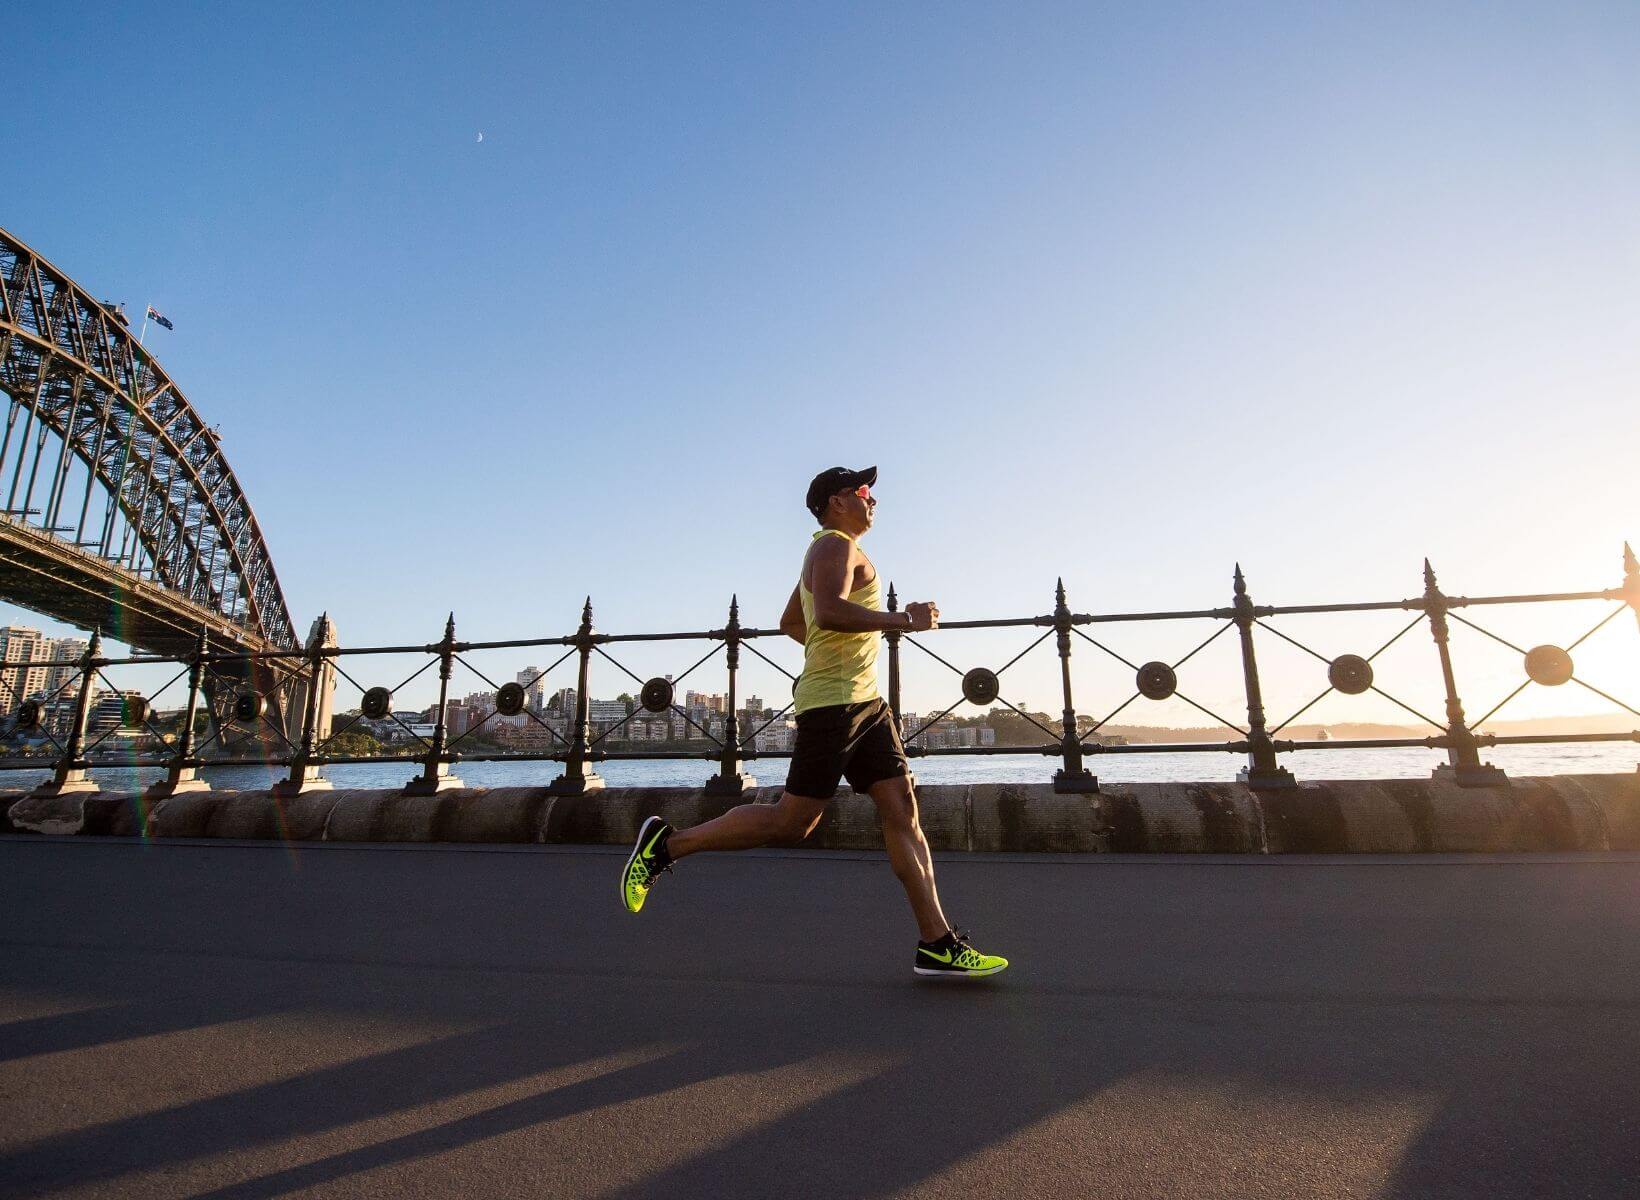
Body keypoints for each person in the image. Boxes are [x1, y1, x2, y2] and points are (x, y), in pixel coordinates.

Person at [621, 465, 1008, 980]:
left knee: (903, 810)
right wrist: (902, 621)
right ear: (835, 501)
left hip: (867, 704)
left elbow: (792, 622)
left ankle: (937, 942)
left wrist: (838, 657)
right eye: (863, 491)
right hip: (834, 707)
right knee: (792, 822)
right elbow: (825, 613)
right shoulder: (833, 546)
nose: (873, 500)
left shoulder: (835, 549)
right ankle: (666, 845)